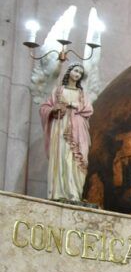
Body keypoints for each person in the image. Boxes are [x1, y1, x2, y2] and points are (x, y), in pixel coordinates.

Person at [40, 63, 93, 202]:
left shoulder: (82, 94)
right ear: (69, 71)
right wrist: (53, 110)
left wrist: (73, 105)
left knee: (76, 159)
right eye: (75, 70)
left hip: (77, 128)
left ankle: (74, 193)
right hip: (60, 126)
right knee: (61, 156)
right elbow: (45, 107)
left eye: (80, 73)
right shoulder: (58, 91)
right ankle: (58, 192)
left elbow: (88, 109)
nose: (77, 74)